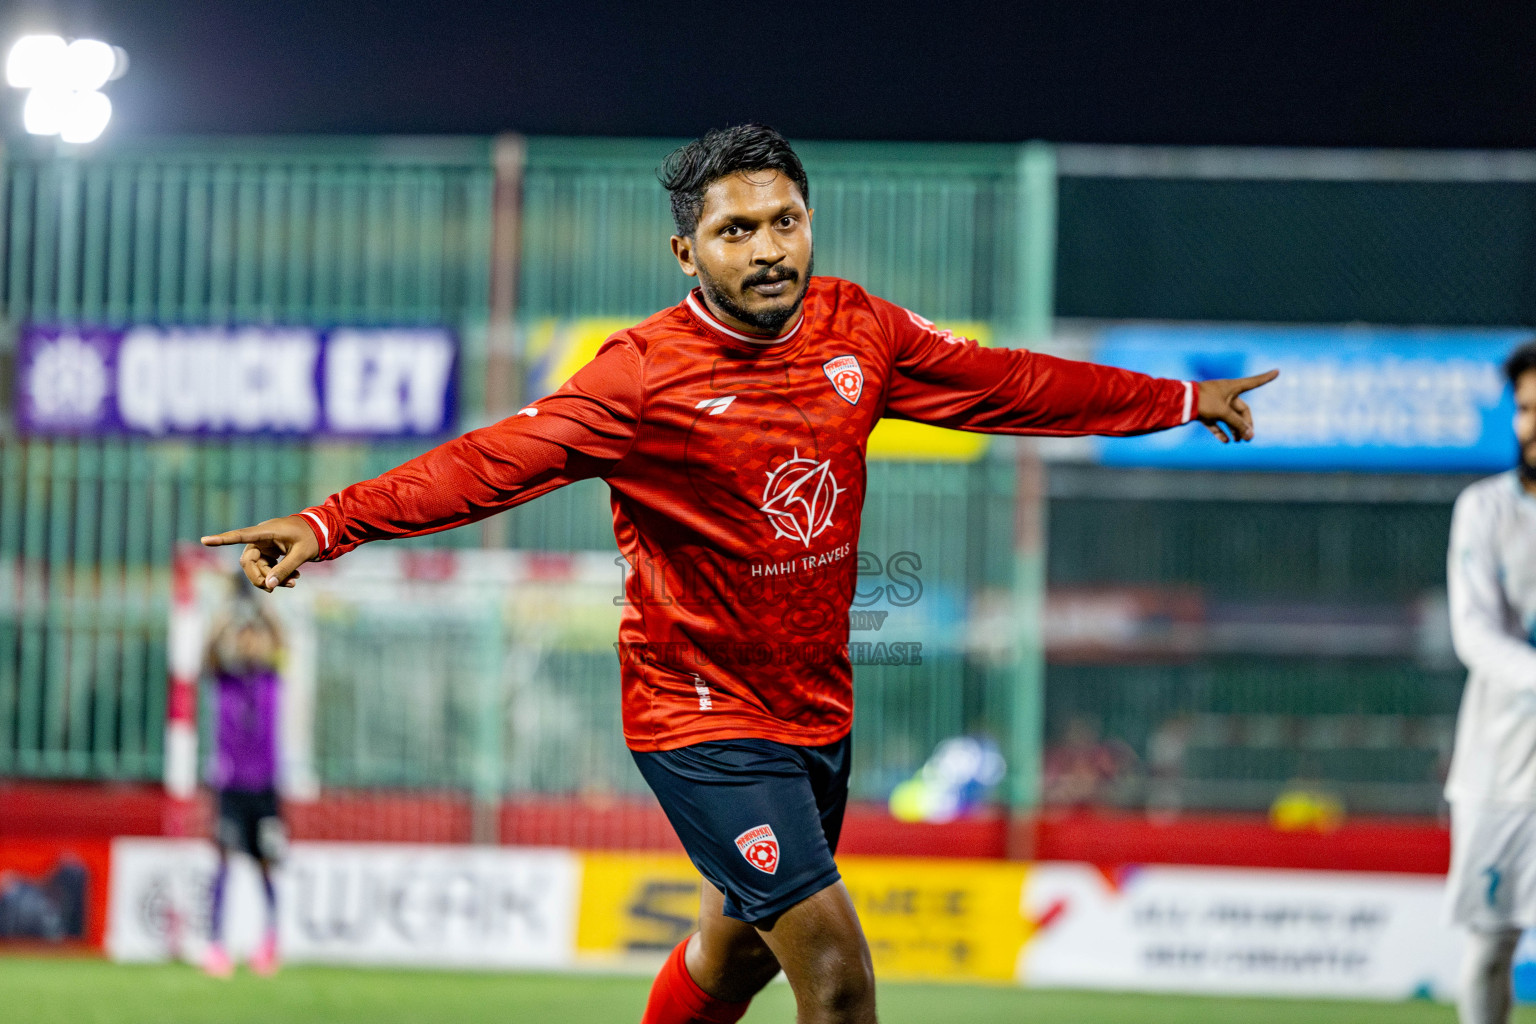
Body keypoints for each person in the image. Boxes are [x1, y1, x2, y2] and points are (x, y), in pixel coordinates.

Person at [202, 124, 1276, 1024]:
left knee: (736, 953)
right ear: (687, 252)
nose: (767, 248)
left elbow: (1010, 384)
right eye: (735, 230)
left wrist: (1180, 401)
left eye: (784, 221)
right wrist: (326, 520)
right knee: (839, 979)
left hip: (815, 708)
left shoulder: (863, 329)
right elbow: (489, 463)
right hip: (699, 715)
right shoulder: (641, 377)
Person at [1445, 339, 1536, 1024]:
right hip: (1499, 774)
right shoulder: (1484, 509)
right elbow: (1474, 634)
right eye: (1527, 409)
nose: (1533, 425)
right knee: (1487, 951)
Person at [201, 587, 286, 978]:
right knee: (223, 861)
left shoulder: (271, 677)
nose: (248, 642)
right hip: (231, 787)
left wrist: (260, 602)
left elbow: (282, 640)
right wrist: (229, 607)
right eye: (243, 636)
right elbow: (209, 651)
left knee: (267, 865)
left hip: (266, 788)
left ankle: (270, 942)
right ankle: (216, 944)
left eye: (254, 637)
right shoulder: (226, 679)